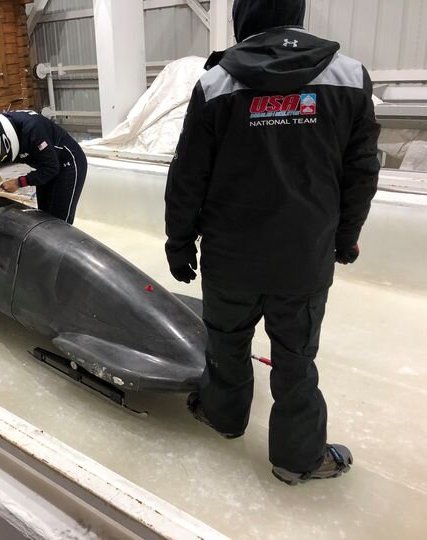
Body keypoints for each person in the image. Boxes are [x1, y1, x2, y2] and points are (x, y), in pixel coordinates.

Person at [164, 0, 380, 485]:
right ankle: (296, 459)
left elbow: (188, 174)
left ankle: (223, 417)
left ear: (244, 17)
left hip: (230, 258)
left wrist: (179, 241)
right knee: (295, 358)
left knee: (226, 344)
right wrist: (346, 237)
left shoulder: (217, 82)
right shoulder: (348, 76)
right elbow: (361, 170)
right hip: (302, 258)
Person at [0, 110, 87, 224]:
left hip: (68, 164)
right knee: (44, 215)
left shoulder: (32, 129)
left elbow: (51, 168)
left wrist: (19, 182)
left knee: (60, 220)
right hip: (44, 166)